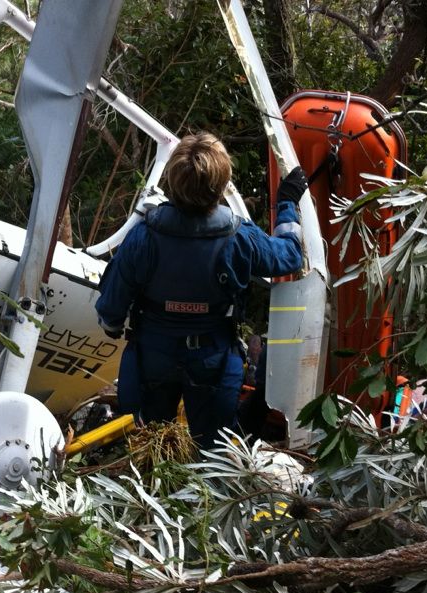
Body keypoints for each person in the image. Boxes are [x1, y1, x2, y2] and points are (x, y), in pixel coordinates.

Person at [95, 132, 307, 450]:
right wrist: (287, 203)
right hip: (213, 361)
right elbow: (289, 256)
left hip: (153, 358)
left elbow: (110, 312)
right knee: (212, 450)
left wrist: (113, 326)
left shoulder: (144, 237)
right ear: (221, 185)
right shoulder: (240, 238)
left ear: (172, 180)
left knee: (152, 445)